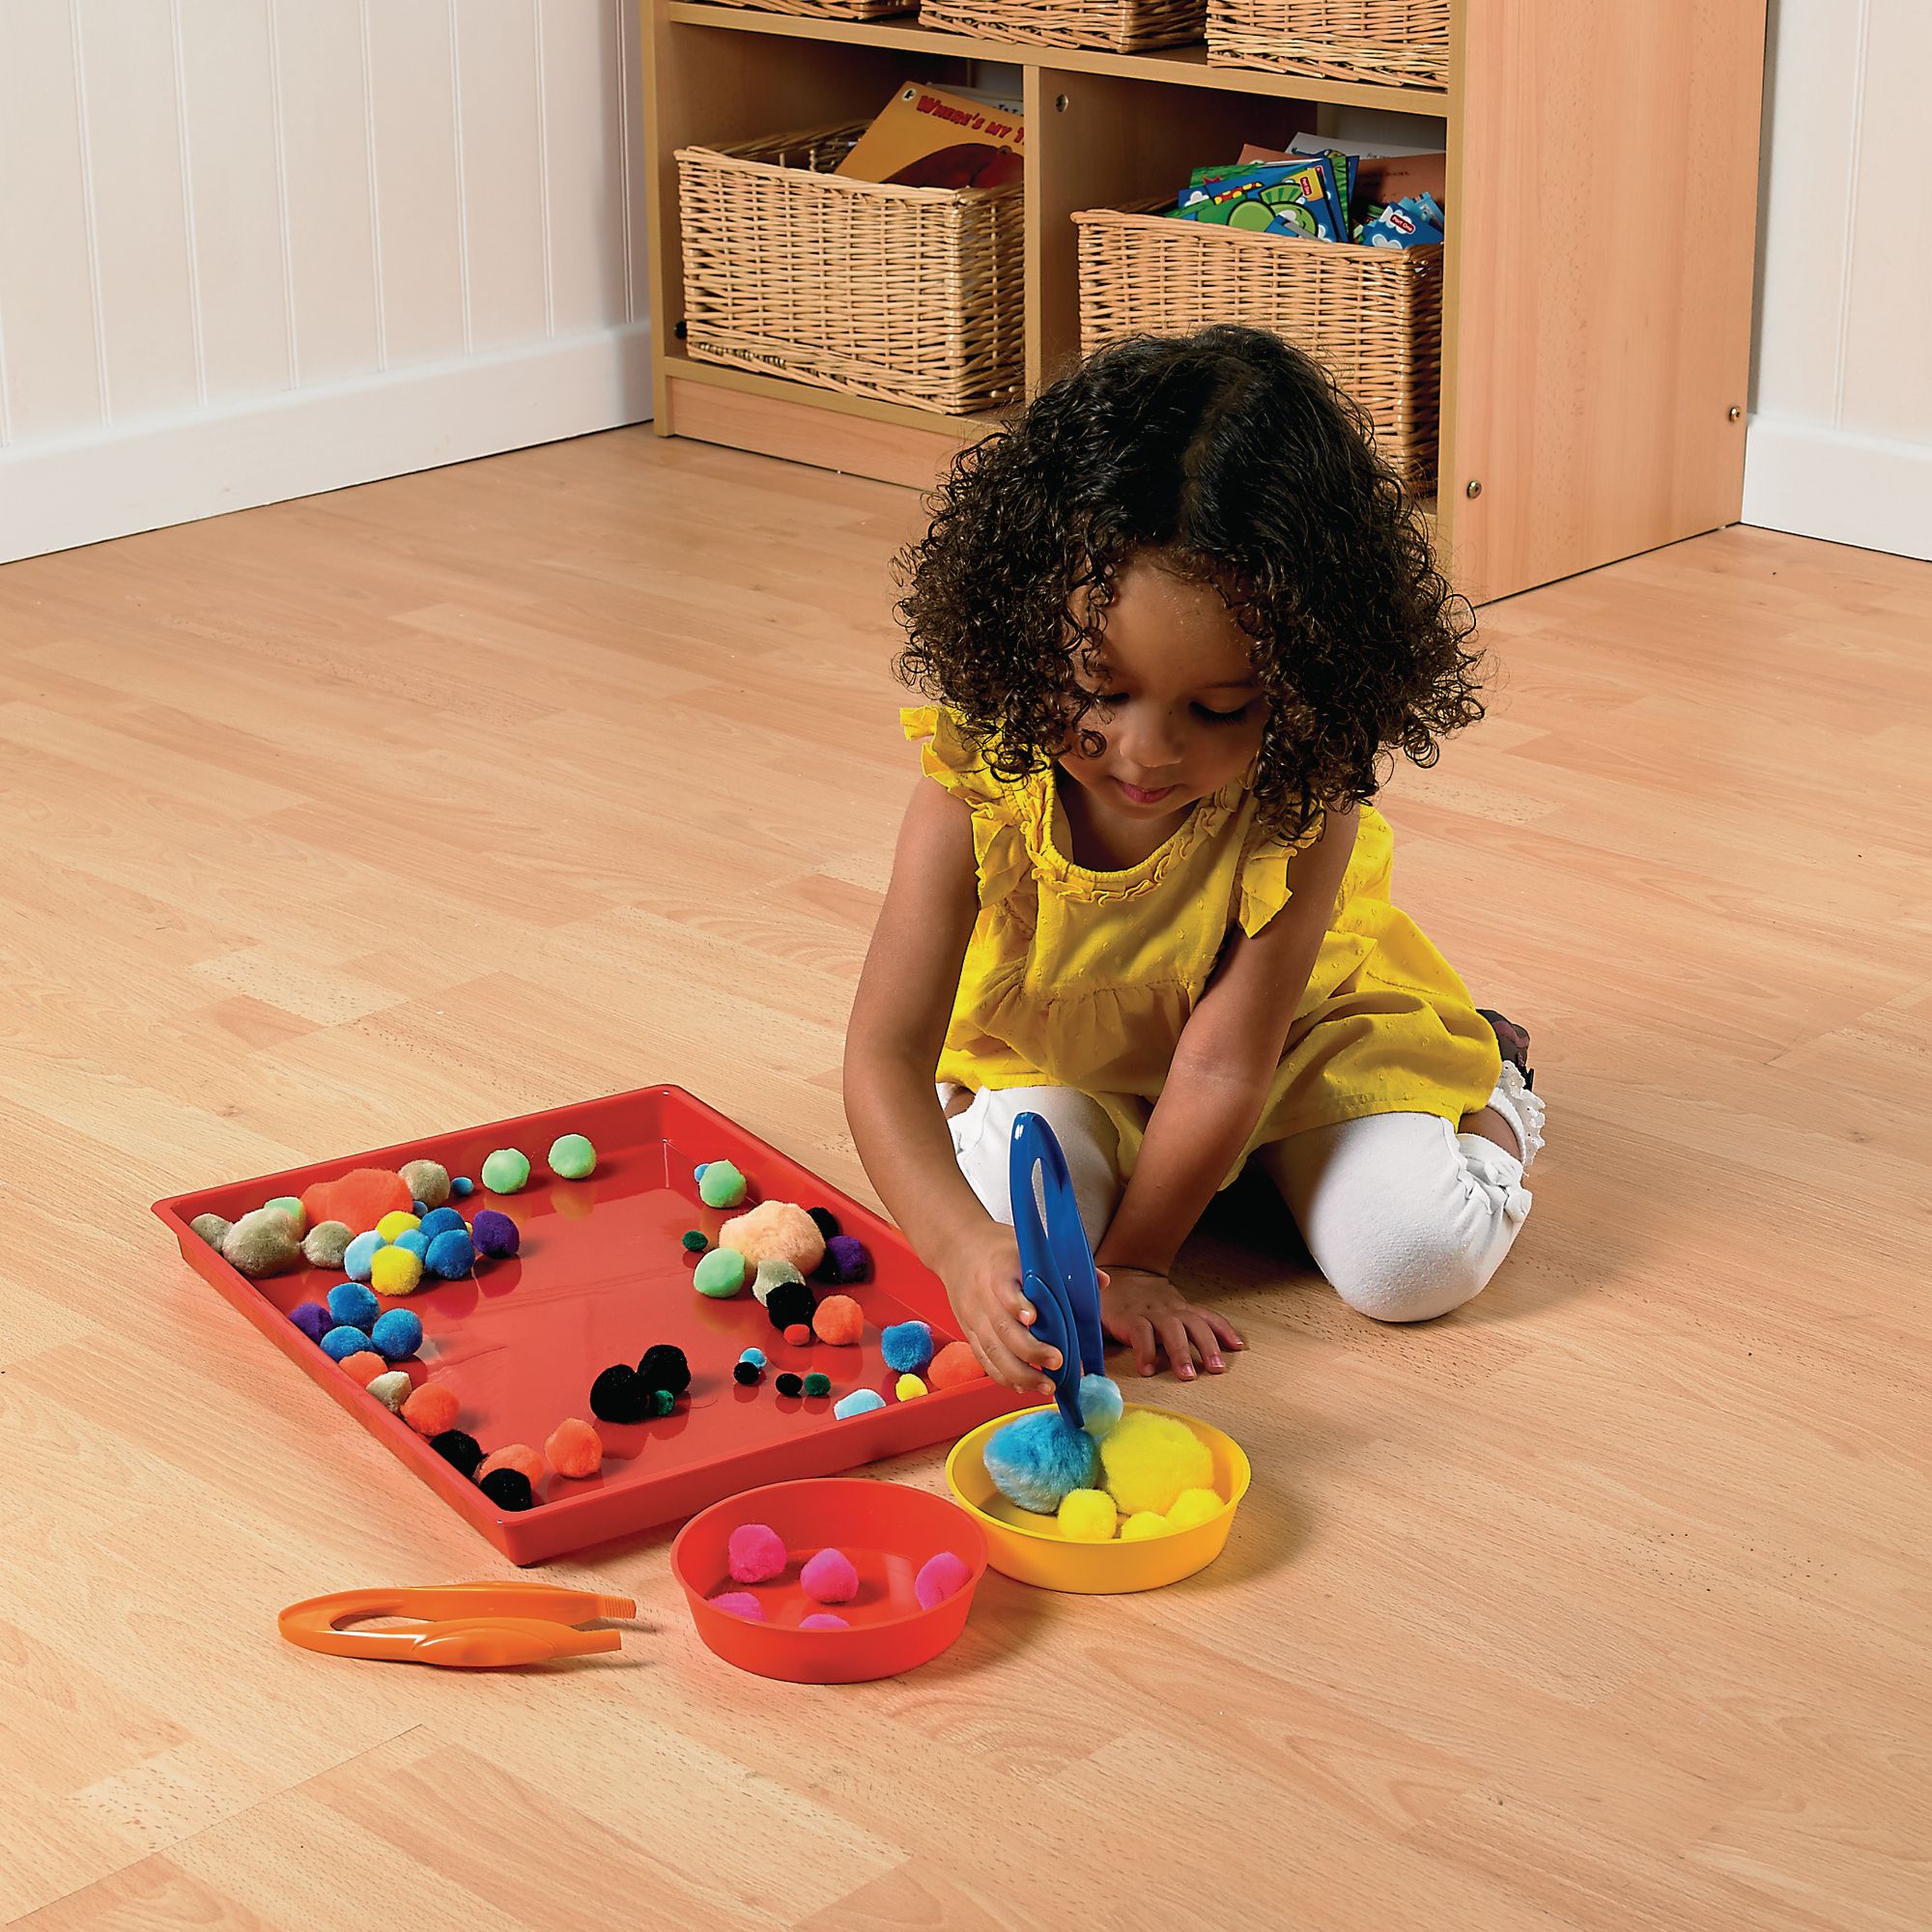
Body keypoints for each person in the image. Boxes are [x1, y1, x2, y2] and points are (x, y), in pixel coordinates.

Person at [843, 326, 1543, 1394]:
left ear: (1306, 681)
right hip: (1081, 1064)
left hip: (1297, 1045)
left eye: (1219, 708)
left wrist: (1136, 1260)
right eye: (1097, 687)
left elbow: (1224, 1062)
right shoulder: (972, 786)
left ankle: (1495, 1087)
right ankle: (1220, 1172)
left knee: (1413, 1260)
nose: (1146, 751)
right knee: (1009, 1245)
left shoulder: (1301, 798)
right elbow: (881, 1056)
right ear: (1022, 630)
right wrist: (956, 1246)